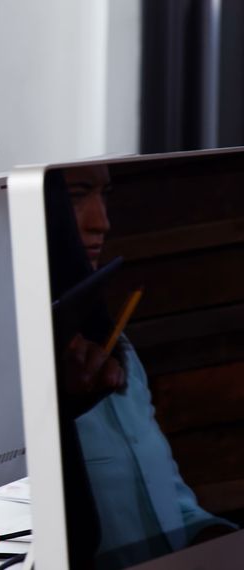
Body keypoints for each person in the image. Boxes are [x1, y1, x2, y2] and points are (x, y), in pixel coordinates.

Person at [52, 165, 235, 568]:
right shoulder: (14, 366)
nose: (101, 221)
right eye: (77, 195)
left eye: (104, 195)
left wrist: (218, 539)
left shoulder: (121, 352)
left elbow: (170, 504)